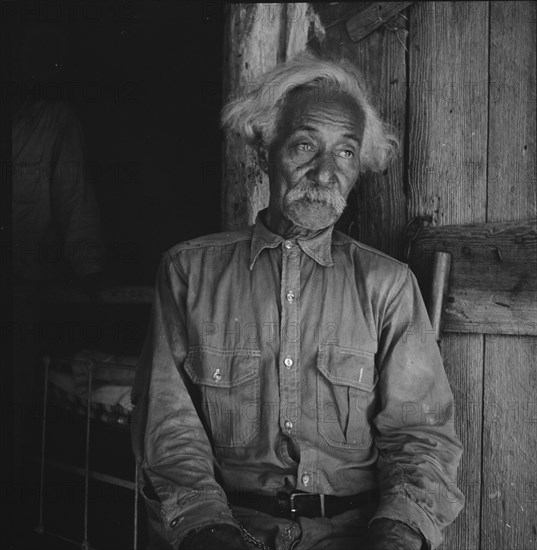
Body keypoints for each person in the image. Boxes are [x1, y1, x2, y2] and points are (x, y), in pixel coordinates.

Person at [131, 51, 464, 550]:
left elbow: (421, 440)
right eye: (305, 145)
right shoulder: (188, 271)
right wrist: (208, 529)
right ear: (265, 148)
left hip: (358, 535)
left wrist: (396, 535)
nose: (325, 172)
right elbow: (168, 428)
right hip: (229, 529)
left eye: (346, 153)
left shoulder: (387, 285)